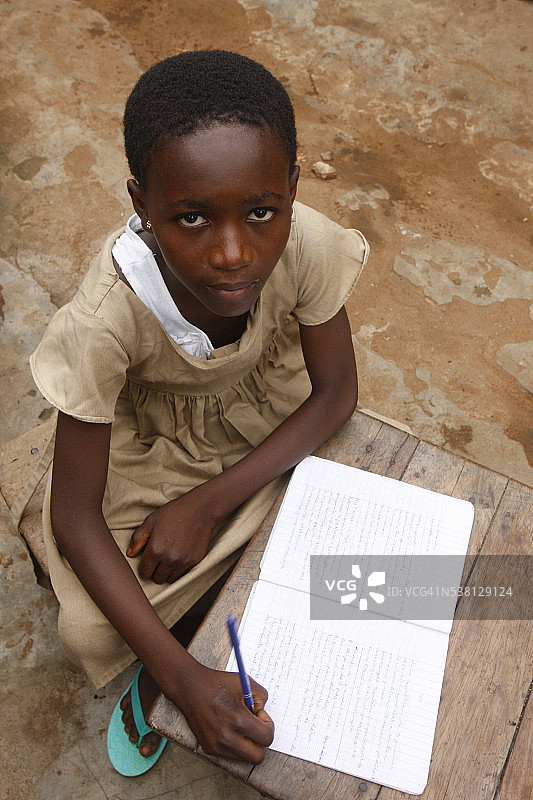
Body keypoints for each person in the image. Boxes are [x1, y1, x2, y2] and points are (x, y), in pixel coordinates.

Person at [30, 50, 368, 775]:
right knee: (91, 630)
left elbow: (335, 395)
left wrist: (210, 505)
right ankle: (174, 665)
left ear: (291, 190)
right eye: (189, 217)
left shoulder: (304, 241)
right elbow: (75, 516)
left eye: (260, 211)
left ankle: (224, 604)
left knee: (369, 500)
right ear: (141, 205)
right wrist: (184, 683)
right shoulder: (104, 320)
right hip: (154, 450)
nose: (232, 253)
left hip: (271, 421)